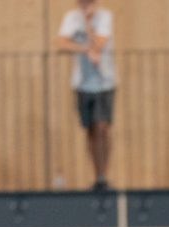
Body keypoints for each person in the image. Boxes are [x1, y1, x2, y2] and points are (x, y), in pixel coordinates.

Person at [55, 0, 116, 192]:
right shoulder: (71, 18)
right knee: (90, 130)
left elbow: (99, 43)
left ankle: (103, 175)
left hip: (104, 81)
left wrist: (88, 23)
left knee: (102, 127)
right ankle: (97, 176)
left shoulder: (104, 17)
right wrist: (84, 49)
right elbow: (60, 44)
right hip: (82, 83)